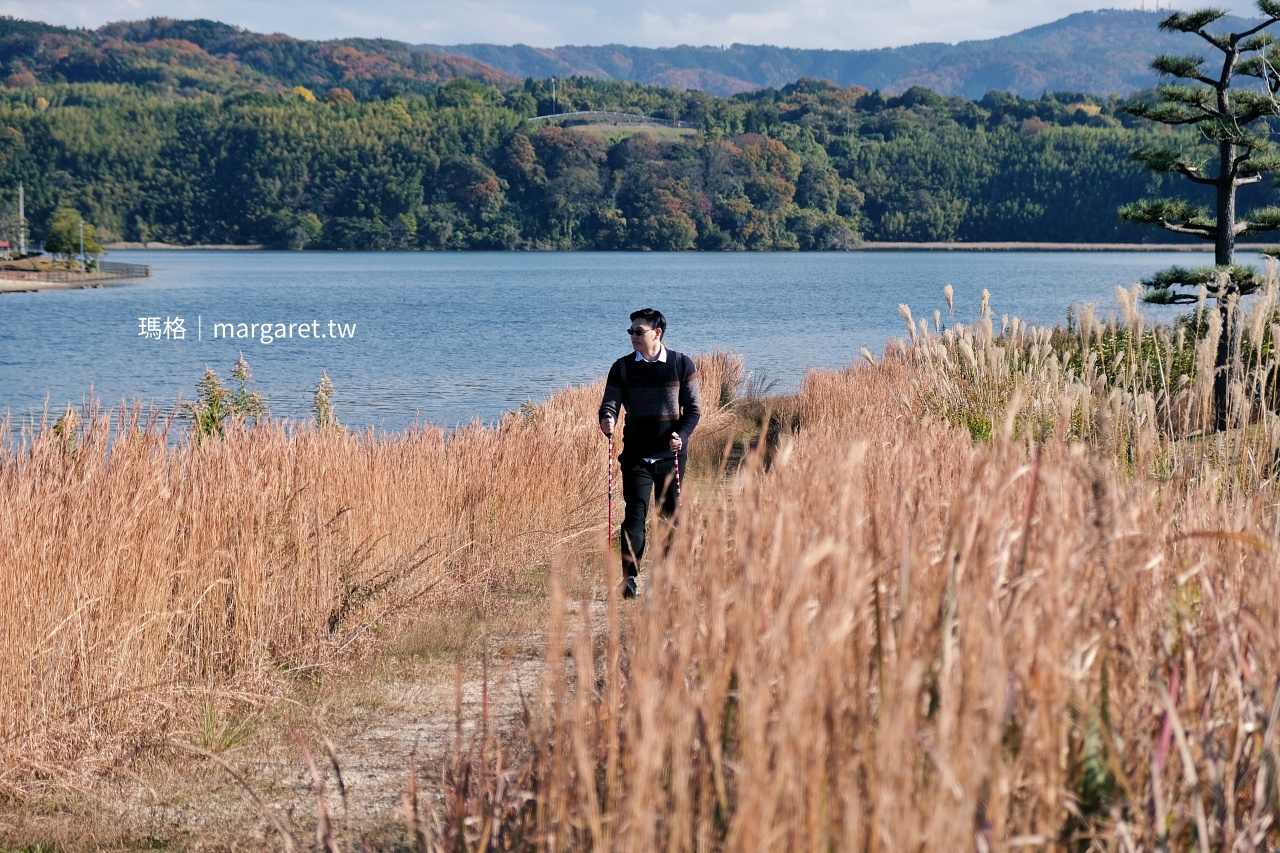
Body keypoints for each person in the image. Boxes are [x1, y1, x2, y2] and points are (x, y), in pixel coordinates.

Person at [598, 308, 702, 598]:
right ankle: (629, 579)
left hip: (671, 456)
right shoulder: (621, 367)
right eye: (630, 331)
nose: (632, 336)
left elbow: (694, 410)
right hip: (635, 455)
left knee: (669, 517)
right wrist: (608, 419)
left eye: (638, 331)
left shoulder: (681, 364)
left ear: (657, 333)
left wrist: (680, 436)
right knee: (635, 515)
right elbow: (610, 404)